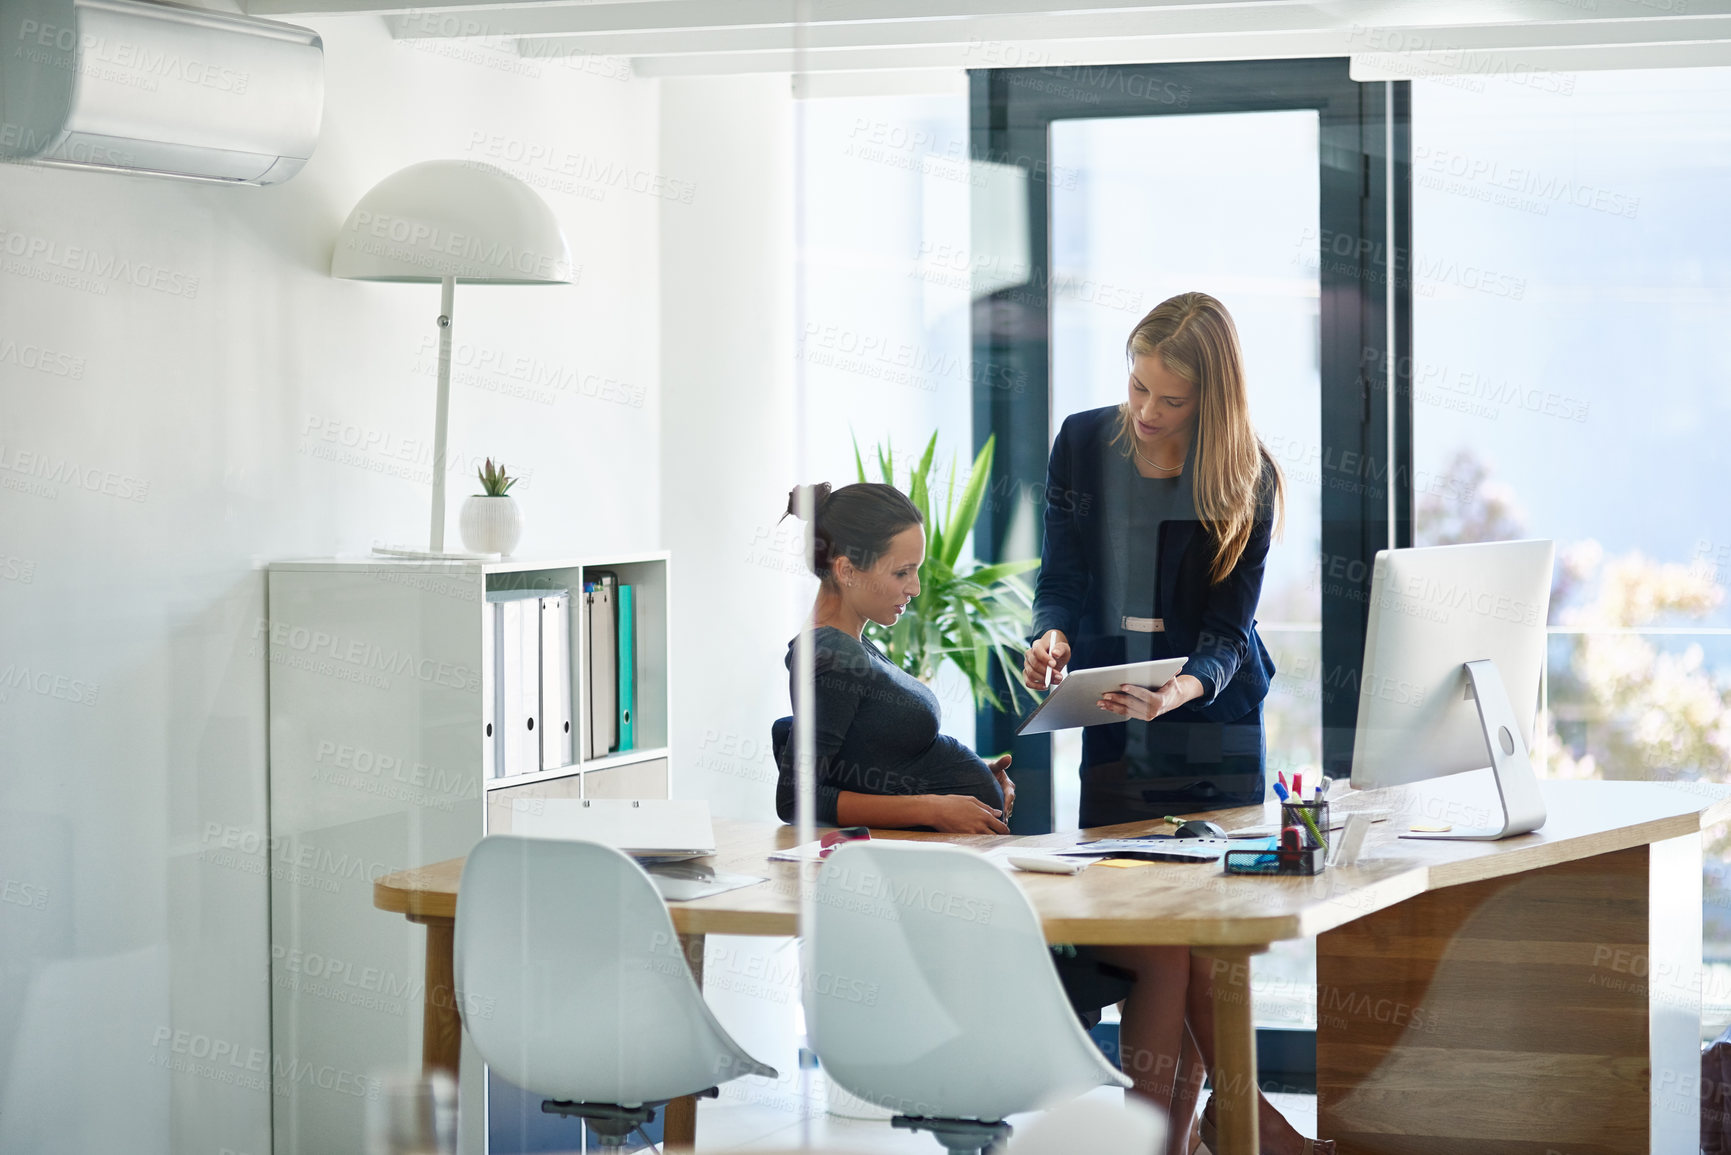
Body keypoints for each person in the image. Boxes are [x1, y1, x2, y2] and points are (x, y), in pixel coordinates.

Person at [1023, 293, 1330, 1155]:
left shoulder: (1249, 476)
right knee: (1149, 944)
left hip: (1215, 727)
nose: (1146, 413)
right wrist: (1046, 636)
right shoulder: (1085, 442)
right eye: (1137, 388)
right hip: (1115, 718)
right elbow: (1063, 578)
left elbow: (1228, 632)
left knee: (1201, 946)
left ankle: (1188, 1136)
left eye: (1171, 400)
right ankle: (1231, 1128)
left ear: (1213, 401)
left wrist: (1184, 689)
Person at [773, 481, 1014, 832]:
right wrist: (934, 808)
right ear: (847, 571)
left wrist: (965, 775)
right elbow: (797, 799)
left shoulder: (848, 644)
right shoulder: (833, 656)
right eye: (902, 572)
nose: (915, 588)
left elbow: (869, 761)